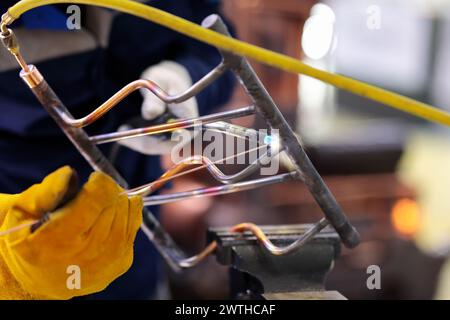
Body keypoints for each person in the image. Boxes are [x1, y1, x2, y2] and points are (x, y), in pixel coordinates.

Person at [0, 0, 234, 299]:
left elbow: (211, 42)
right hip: (28, 250)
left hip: (137, 265)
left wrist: (187, 78)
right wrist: (7, 265)